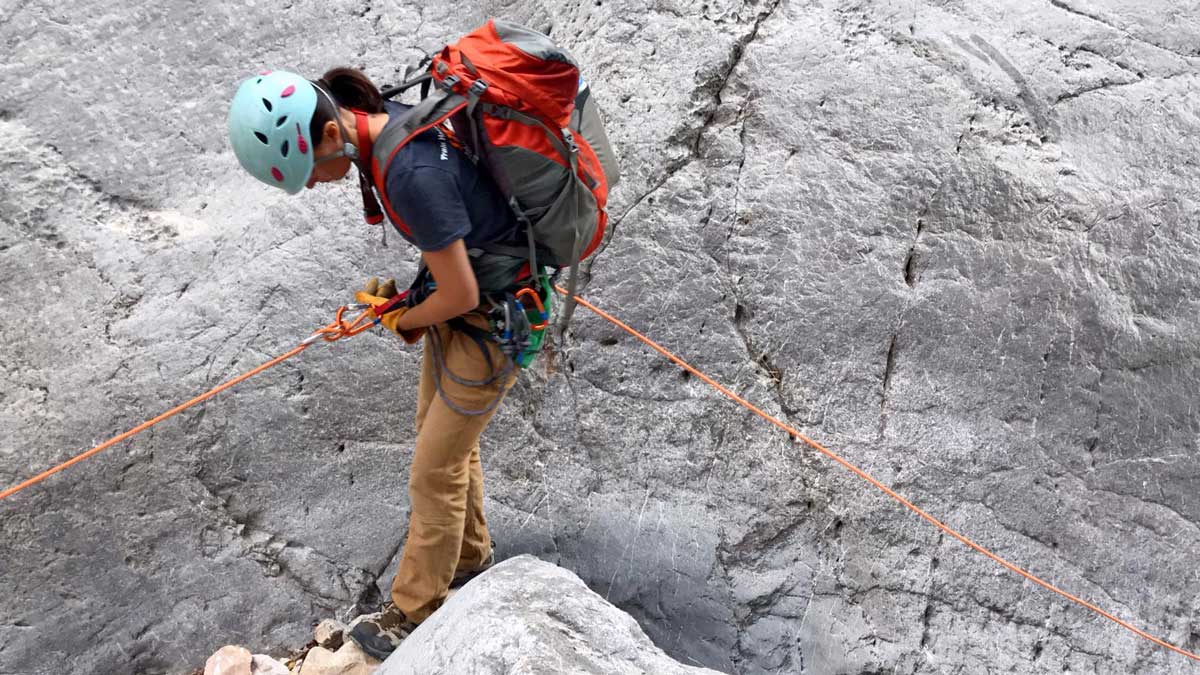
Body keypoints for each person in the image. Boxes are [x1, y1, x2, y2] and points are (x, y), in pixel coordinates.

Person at [227, 67, 527, 659]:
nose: (313, 186)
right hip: (470, 307)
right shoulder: (385, 130)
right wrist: (409, 305)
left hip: (491, 318)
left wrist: (401, 319)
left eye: (310, 172)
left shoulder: (409, 170)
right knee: (439, 444)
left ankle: (415, 610)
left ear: (334, 135)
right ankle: (468, 558)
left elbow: (461, 292)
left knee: (433, 471)